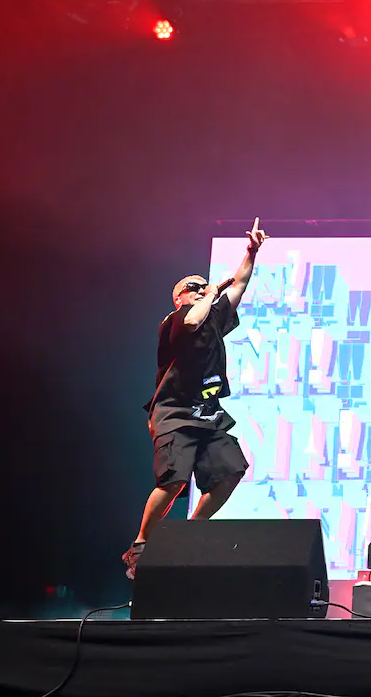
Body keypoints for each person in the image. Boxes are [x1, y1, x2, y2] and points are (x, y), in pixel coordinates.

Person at [121, 218, 270, 580]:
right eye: (194, 287)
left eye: (204, 285)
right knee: (174, 481)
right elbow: (192, 322)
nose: (202, 288)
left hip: (207, 413)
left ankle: (192, 529)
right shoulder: (174, 320)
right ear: (180, 297)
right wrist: (209, 293)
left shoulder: (213, 315)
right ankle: (140, 545)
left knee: (231, 470)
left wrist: (251, 252)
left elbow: (240, 283)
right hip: (173, 412)